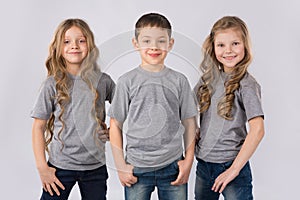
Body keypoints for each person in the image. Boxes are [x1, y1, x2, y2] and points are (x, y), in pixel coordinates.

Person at [108, 13, 197, 200]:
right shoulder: (126, 82)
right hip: (137, 167)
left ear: (170, 44)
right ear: (136, 43)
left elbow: (189, 122)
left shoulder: (179, 81)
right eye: (147, 41)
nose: (154, 47)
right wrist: (121, 166)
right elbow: (115, 124)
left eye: (161, 41)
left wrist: (188, 161)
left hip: (173, 166)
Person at [31, 18, 115, 200]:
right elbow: (38, 127)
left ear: (89, 45)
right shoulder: (52, 84)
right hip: (60, 167)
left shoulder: (103, 81)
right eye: (67, 41)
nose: (74, 46)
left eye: (81, 40)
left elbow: (124, 110)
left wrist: (113, 132)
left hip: (95, 168)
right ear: (58, 48)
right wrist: (42, 168)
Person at [194, 16, 265, 200]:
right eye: (221, 45)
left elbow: (257, 130)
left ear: (245, 46)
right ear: (213, 47)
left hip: (232, 166)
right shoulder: (207, 80)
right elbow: (185, 107)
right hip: (204, 164)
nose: (228, 51)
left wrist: (234, 170)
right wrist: (194, 129)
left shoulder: (247, 84)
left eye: (235, 43)